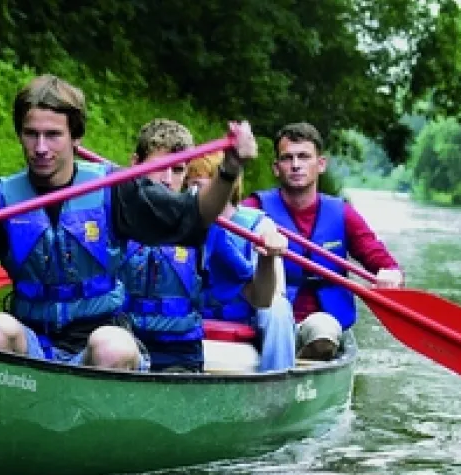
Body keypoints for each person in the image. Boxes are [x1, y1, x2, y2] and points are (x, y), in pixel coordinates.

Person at [0, 74, 258, 371]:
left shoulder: (115, 189)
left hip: (101, 339)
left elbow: (194, 218)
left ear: (75, 138)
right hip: (33, 344)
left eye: (53, 135)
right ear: (20, 135)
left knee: (111, 346)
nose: (41, 147)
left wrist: (230, 169)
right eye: (31, 134)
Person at [116, 119, 286, 373]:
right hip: (123, 349)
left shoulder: (208, 226)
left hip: (178, 357)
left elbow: (260, 299)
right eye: (159, 167)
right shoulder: (111, 211)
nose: (166, 179)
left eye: (177, 170)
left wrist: (267, 259)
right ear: (135, 164)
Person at [242, 122, 404, 360]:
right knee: (277, 318)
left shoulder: (343, 214)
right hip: (268, 321)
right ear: (276, 168)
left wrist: (392, 275)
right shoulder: (254, 209)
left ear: (321, 165)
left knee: (323, 331)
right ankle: (286, 359)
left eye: (304, 157)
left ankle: (304, 360)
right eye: (287, 158)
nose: (296, 165)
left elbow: (382, 261)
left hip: (322, 326)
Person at [185, 152, 296, 372]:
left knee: (278, 308)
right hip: (190, 320)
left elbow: (269, 297)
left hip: (245, 320)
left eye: (200, 184)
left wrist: (269, 255)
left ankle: (277, 379)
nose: (193, 193)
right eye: (190, 185)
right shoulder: (180, 223)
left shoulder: (259, 227)